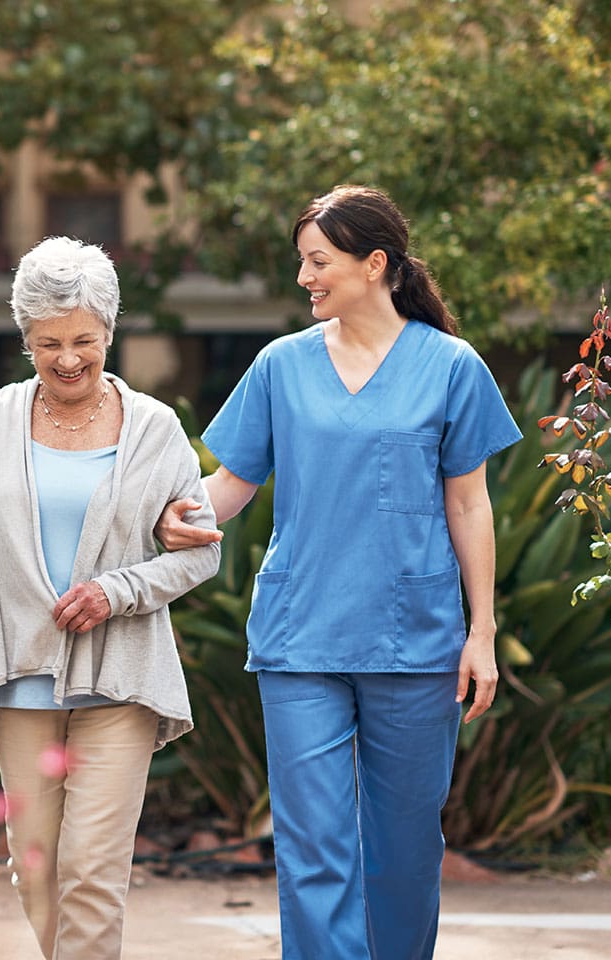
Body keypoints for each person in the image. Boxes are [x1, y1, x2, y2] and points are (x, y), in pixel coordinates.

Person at [155, 185, 522, 960]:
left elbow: (470, 507)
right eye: (302, 263)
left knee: (406, 852)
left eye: (317, 262)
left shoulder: (451, 367)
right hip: (302, 638)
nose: (304, 279)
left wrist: (481, 632)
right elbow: (229, 486)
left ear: (374, 264)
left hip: (415, 641)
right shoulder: (280, 367)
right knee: (313, 851)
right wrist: (166, 519)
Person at [0, 236, 221, 960]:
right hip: (17, 679)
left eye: (83, 340)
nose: (68, 358)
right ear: (26, 340)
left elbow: (202, 556)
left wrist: (119, 591)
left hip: (121, 678)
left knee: (92, 872)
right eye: (48, 343)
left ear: (109, 331)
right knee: (38, 869)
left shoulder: (155, 429)